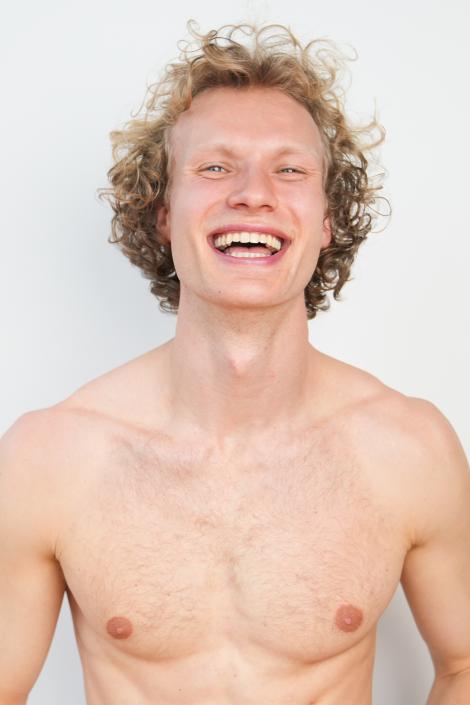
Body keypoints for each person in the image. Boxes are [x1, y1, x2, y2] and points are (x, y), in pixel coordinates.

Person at [1, 21, 469, 705]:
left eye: (290, 169)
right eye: (216, 167)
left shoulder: (409, 448)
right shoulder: (48, 458)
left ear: (328, 219)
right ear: (163, 213)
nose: (254, 192)